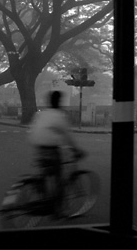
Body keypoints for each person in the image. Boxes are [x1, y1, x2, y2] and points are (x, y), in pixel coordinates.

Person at [28, 90, 85, 218]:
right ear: (59, 102)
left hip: (38, 148)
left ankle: (42, 191)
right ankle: (57, 211)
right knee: (59, 179)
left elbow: (33, 130)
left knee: (45, 173)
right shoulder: (59, 115)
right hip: (51, 151)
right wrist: (76, 150)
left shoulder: (41, 114)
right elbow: (68, 136)